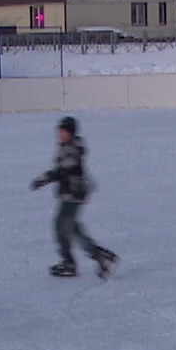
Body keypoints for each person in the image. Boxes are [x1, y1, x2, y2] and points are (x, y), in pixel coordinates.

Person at [32, 116, 117, 279]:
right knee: (67, 227)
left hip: (74, 194)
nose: (60, 134)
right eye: (59, 131)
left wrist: (43, 179)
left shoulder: (72, 149)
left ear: (71, 133)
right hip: (70, 193)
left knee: (66, 227)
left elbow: (62, 171)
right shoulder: (66, 146)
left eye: (63, 132)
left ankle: (95, 258)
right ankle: (82, 260)